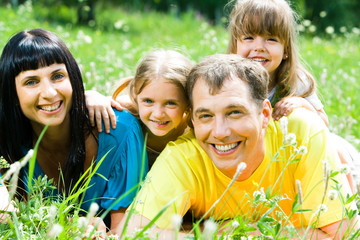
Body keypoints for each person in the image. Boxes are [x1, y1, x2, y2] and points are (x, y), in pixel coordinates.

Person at [117, 54, 357, 239]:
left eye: (234, 113)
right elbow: (133, 233)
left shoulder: (302, 131)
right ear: (192, 120)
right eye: (205, 116)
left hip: (346, 161)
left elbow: (345, 234)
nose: (220, 133)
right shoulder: (182, 157)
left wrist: (248, 233)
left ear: (264, 114)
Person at [0, 28, 147, 232]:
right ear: (13, 95)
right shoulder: (8, 143)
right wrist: (73, 226)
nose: (50, 93)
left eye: (58, 76)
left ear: (73, 79)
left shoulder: (120, 131)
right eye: (31, 82)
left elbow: (127, 231)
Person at [226, 0, 359, 189]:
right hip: (272, 163)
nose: (259, 47)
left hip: (340, 162)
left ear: (286, 50)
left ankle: (347, 204)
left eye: (271, 39)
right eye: (248, 37)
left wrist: (302, 104)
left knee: (334, 151)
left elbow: (323, 124)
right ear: (235, 45)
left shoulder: (294, 80)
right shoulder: (228, 82)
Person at [111, 50, 192, 166]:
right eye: (148, 101)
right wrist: (91, 97)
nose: (158, 114)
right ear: (135, 95)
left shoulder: (193, 128)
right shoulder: (124, 108)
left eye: (170, 103)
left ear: (188, 102)